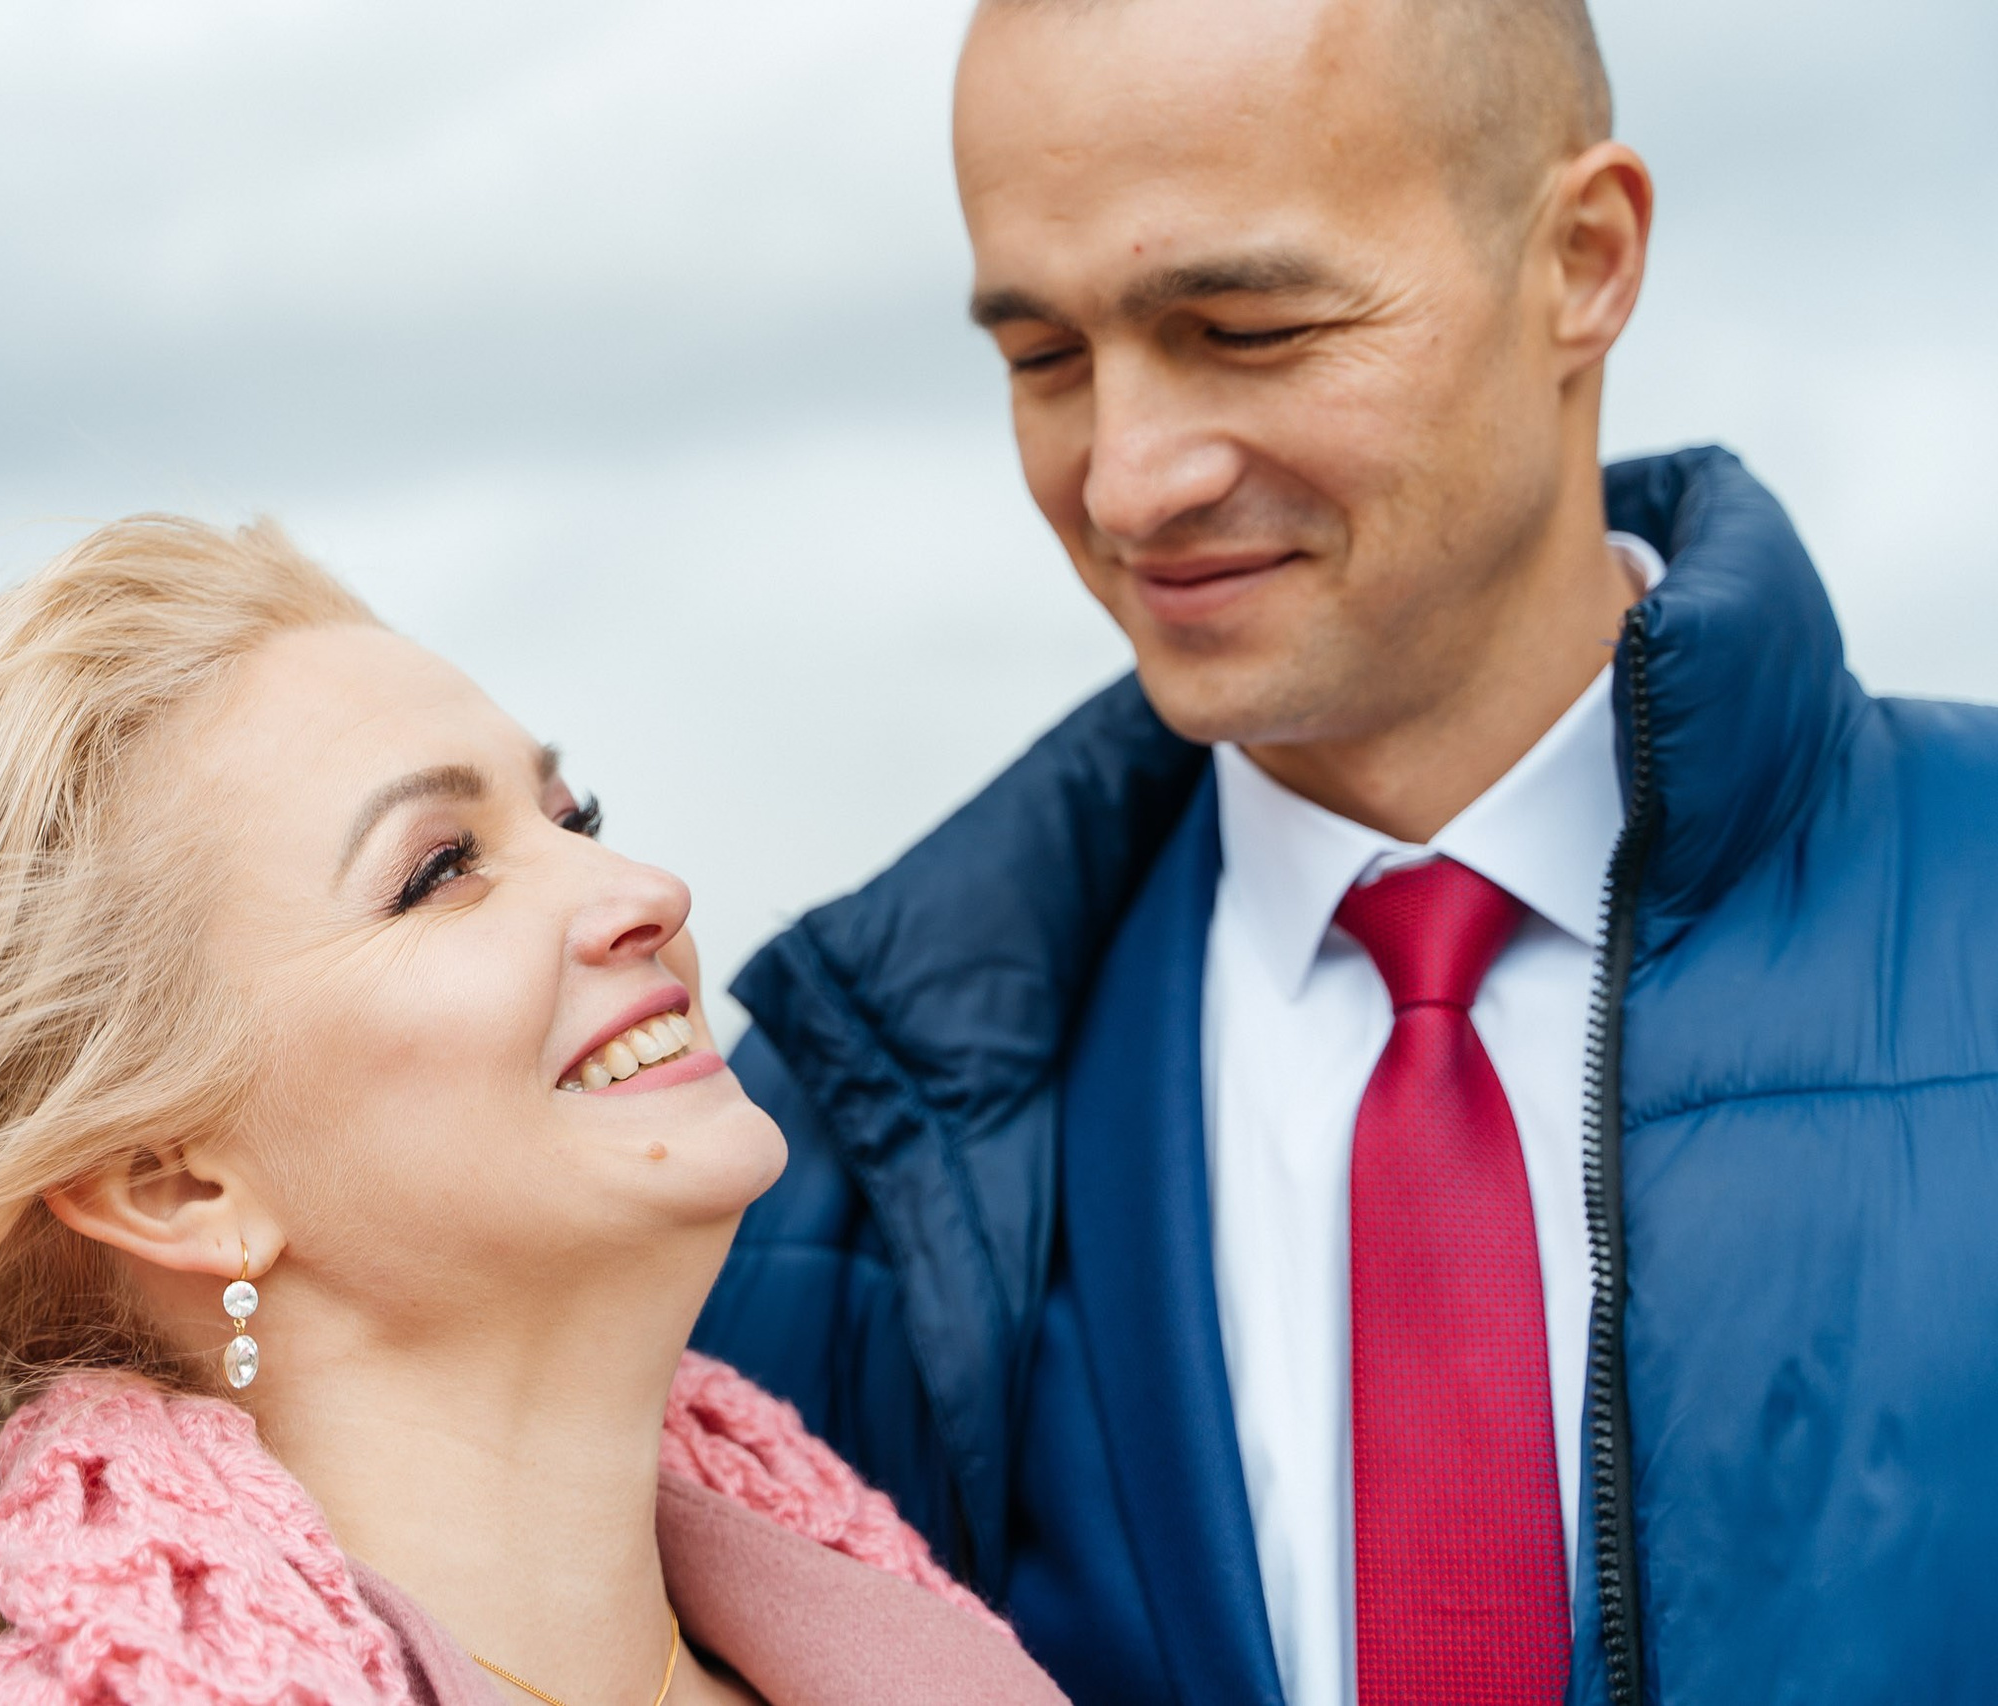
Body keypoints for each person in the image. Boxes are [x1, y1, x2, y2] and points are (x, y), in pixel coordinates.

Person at [690, 0, 1998, 1703]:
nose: (1134, 481)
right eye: (1046, 361)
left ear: (1584, 260)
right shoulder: (805, 1161)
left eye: (1244, 325)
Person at [0, 519, 1068, 1706]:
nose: (643, 895)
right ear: (169, 1181)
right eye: (439, 870)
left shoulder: (900, 1636)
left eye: (574, 819)